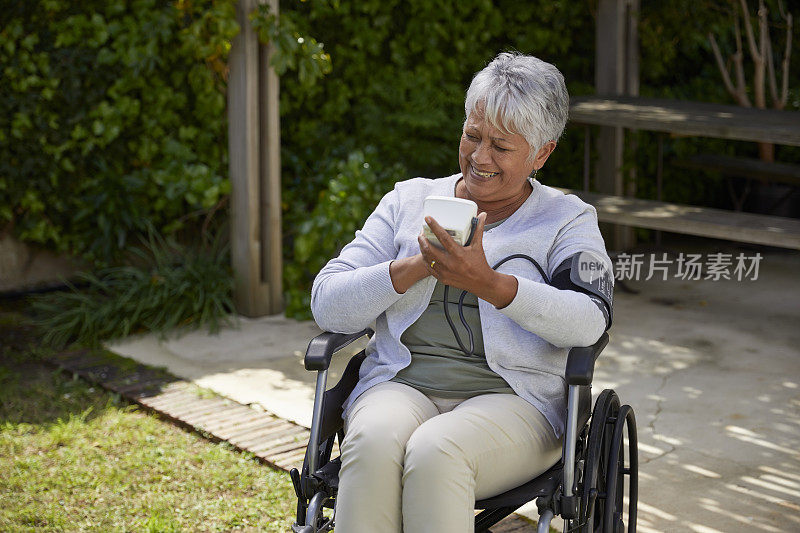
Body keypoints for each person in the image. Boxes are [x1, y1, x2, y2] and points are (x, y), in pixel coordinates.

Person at [310, 52, 613, 533]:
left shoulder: (567, 220)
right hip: (401, 384)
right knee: (371, 442)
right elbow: (327, 301)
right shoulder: (407, 201)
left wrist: (490, 285)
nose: (479, 157)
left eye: (501, 145)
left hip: (517, 400)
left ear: (542, 153)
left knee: (437, 450)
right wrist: (411, 268)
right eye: (472, 135)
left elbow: (588, 320)